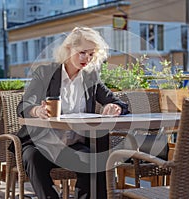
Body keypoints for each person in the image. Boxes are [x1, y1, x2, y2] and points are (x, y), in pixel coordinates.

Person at [12, 27, 129, 199]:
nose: (86, 59)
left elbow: (118, 102)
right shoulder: (45, 73)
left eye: (91, 54)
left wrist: (115, 107)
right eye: (82, 52)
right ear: (68, 49)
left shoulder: (91, 77)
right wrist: (37, 110)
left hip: (75, 146)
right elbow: (23, 105)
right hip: (42, 143)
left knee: (93, 162)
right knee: (33, 158)